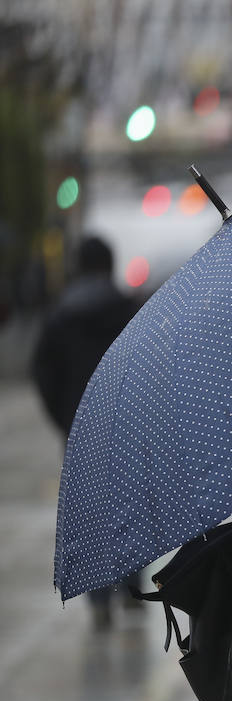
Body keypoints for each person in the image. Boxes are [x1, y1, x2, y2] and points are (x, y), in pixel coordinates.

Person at [30, 235, 139, 624]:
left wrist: (64, 417)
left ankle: (99, 602)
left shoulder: (59, 317)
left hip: (79, 430)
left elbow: (42, 371)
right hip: (124, 426)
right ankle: (132, 588)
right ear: (109, 265)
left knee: (90, 513)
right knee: (129, 506)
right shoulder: (129, 309)